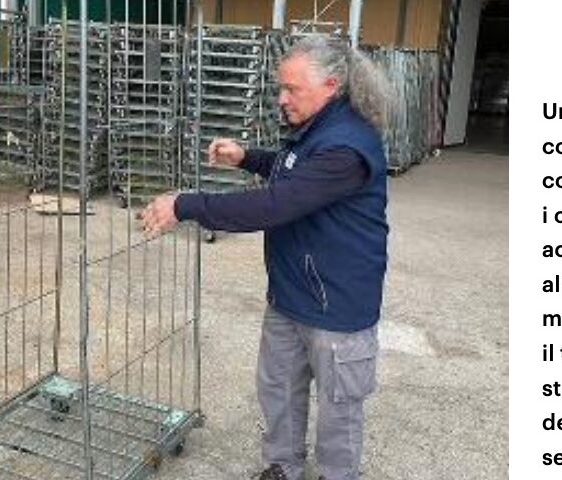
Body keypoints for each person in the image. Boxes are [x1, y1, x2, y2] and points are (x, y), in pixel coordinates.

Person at [142, 35, 390, 480]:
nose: (282, 99)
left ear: (331, 85)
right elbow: (295, 167)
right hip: (291, 293)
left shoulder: (347, 147)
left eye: (292, 89)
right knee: (279, 389)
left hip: (336, 303)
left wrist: (185, 205)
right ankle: (282, 466)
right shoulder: (319, 129)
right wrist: (248, 158)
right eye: (281, 87)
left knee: (339, 408)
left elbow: (275, 204)